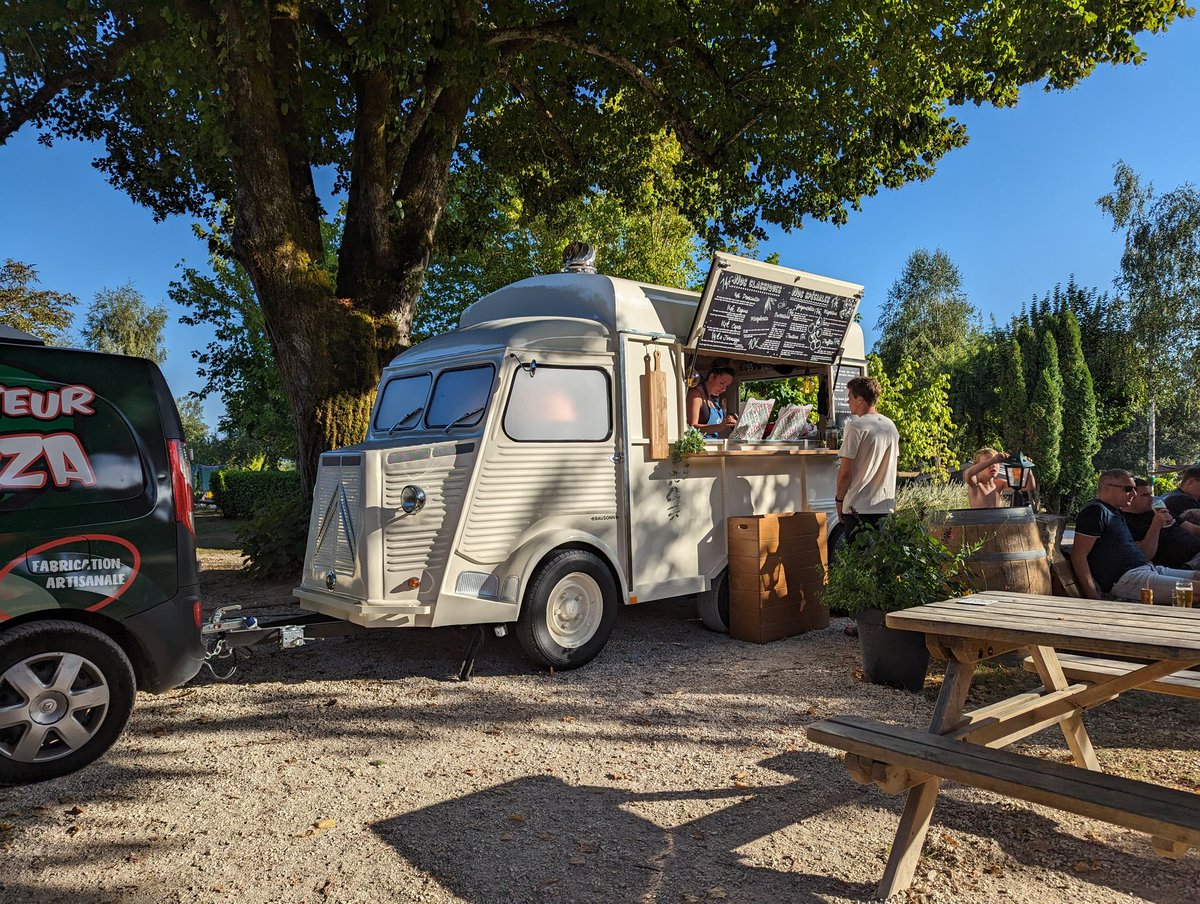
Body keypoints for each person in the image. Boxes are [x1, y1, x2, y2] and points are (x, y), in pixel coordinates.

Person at [1071, 469, 1200, 604]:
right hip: (1128, 579)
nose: (1133, 494)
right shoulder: (1096, 511)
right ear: (1106, 488)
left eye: (1134, 489)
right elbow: (1078, 555)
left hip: (1148, 569)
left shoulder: (1115, 512)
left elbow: (1143, 554)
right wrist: (1093, 598)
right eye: (1128, 489)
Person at [835, 376, 899, 543]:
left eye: (850, 397)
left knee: (859, 564)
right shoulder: (890, 426)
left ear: (860, 399)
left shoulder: (855, 427)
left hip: (859, 508)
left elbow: (845, 472)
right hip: (885, 506)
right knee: (881, 564)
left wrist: (839, 500)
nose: (848, 401)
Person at [1124, 478, 1200, 569]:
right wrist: (1156, 525)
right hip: (1185, 564)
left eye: (1150, 494)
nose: (1151, 498)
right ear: (1130, 497)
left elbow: (1191, 528)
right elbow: (1144, 554)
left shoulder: (1157, 511)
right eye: (1145, 495)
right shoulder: (1125, 522)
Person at [963, 447, 1037, 509]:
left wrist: (1027, 466)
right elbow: (968, 474)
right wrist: (992, 460)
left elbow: (1030, 486)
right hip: (980, 524)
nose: (993, 465)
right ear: (978, 466)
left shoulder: (999, 484)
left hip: (997, 523)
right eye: (988, 462)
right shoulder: (976, 484)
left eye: (996, 462)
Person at [686, 365, 738, 438]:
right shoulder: (696, 395)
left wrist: (730, 421)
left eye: (726, 386)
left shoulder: (713, 398)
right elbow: (692, 427)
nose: (724, 389)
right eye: (722, 383)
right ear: (711, 377)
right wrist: (719, 427)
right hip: (699, 446)